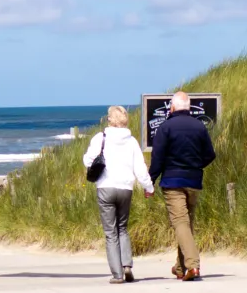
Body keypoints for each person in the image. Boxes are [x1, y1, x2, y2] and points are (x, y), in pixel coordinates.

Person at [148, 91, 216, 282]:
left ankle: (193, 266)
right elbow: (210, 154)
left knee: (180, 223)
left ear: (172, 107)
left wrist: (150, 181)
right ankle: (180, 267)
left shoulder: (166, 127)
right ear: (188, 107)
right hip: (194, 181)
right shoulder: (199, 126)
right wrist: (195, 165)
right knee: (186, 224)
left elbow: (158, 158)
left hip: (172, 182)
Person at [83, 105, 154, 285]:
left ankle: (117, 274)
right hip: (125, 189)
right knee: (122, 228)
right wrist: (149, 187)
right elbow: (140, 168)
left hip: (106, 187)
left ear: (110, 120)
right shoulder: (132, 141)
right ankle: (127, 265)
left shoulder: (101, 138)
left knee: (110, 232)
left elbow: (88, 160)